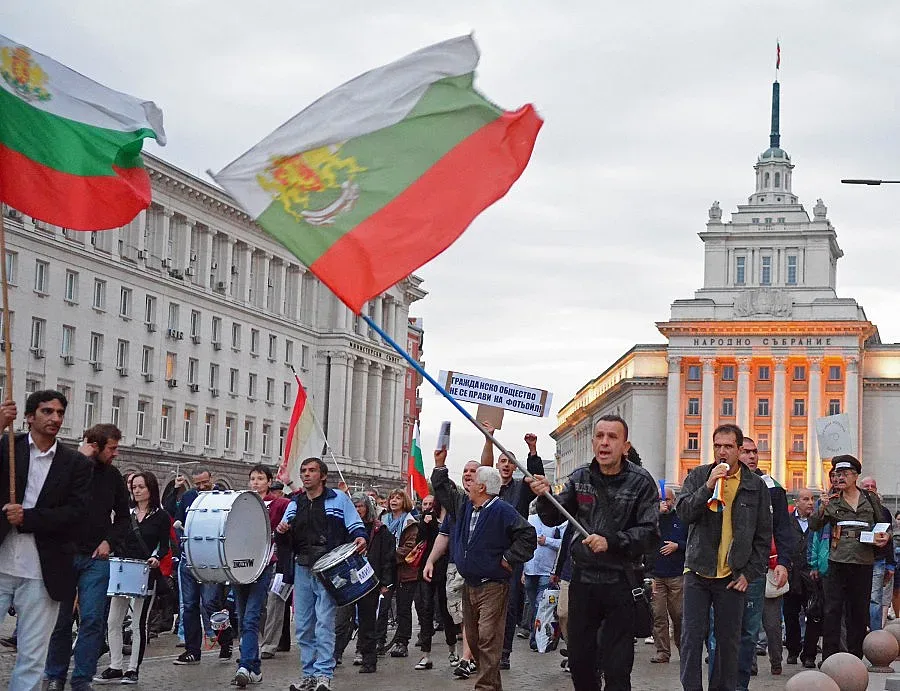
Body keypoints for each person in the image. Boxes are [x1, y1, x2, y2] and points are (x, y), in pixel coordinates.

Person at [529, 414, 660, 691]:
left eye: (612, 437)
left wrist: (611, 542)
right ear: (592, 442)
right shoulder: (580, 477)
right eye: (599, 436)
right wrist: (544, 495)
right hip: (584, 581)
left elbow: (649, 534)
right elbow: (554, 516)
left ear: (625, 446)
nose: (604, 443)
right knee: (580, 663)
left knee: (617, 667)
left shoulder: (641, 482)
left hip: (621, 583)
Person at [0, 393, 92, 690]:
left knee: (32, 657)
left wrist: (28, 518)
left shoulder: (75, 464)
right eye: (47, 411)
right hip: (1, 564)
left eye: (60, 412)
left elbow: (76, 514)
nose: (55, 418)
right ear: (29, 417)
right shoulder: (7, 448)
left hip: (44, 571)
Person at [677, 424, 772, 691]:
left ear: (739, 450)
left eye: (728, 447)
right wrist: (708, 486)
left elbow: (763, 536)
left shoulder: (754, 485)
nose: (722, 452)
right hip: (697, 570)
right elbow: (683, 513)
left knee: (729, 642)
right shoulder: (698, 476)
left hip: (732, 575)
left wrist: (749, 574)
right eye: (717, 446)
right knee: (691, 638)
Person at [433, 461, 536, 691]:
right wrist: (440, 465)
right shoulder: (464, 505)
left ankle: (485, 687)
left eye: (473, 480)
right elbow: (443, 491)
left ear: (482, 488)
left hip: (493, 585)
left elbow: (528, 535)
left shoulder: (502, 510)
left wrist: (509, 558)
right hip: (470, 583)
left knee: (488, 637)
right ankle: (492, 684)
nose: (468, 483)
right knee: (475, 637)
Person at [45, 423, 130, 691]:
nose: (115, 453)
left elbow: (124, 518)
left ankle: (81, 678)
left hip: (96, 557)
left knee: (92, 619)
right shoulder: (68, 466)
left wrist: (109, 542)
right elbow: (49, 498)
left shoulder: (114, 476)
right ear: (95, 446)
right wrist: (80, 460)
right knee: (60, 621)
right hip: (65, 555)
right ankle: (55, 674)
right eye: (112, 448)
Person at [278, 457, 367, 691]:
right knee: (304, 625)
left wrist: (360, 537)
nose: (307, 475)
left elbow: (355, 525)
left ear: (323, 475)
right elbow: (283, 534)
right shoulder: (295, 503)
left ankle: (323, 675)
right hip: (302, 567)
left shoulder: (338, 499)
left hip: (329, 568)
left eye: (312, 471)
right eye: (303, 471)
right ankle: (308, 675)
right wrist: (282, 530)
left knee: (324, 622)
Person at [809, 455, 891, 661]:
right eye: (837, 474)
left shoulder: (870, 499)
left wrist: (885, 538)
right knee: (832, 610)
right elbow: (814, 525)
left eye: (845, 474)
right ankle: (829, 657)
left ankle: (855, 656)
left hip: (863, 561)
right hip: (838, 561)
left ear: (855, 476)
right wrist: (821, 507)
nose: (840, 478)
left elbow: (882, 524)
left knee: (859, 611)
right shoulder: (832, 500)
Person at [96, 471, 171, 684]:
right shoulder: (125, 514)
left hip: (145, 572)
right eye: (134, 487)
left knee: (138, 623)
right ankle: (115, 665)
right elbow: (116, 538)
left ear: (150, 490)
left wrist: (156, 557)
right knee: (113, 621)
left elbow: (164, 545)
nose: (136, 491)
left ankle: (132, 669)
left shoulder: (161, 516)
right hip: (122, 569)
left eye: (141, 487)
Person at [481, 427, 546, 670]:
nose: (506, 465)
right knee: (486, 605)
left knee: (508, 605)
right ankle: (485, 650)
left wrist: (532, 451)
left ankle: (505, 652)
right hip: (488, 552)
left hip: (511, 555)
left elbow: (539, 480)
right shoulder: (488, 488)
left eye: (510, 462)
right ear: (497, 466)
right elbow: (482, 467)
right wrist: (488, 438)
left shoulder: (520, 488)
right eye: (503, 461)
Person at [733, 436, 794, 685]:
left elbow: (782, 528)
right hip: (730, 565)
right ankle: (738, 670)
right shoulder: (725, 482)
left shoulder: (772, 487)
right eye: (746, 451)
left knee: (763, 622)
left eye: (755, 452)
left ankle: (765, 663)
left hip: (762, 564)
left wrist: (784, 562)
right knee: (733, 625)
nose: (752, 456)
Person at [230, 464, 290, 687]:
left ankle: (244, 666)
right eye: (253, 478)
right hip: (239, 566)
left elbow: (296, 507)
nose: (255, 482)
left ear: (269, 482)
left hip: (263, 565)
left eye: (260, 478)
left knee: (251, 616)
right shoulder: (241, 503)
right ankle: (254, 668)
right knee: (243, 614)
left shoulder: (278, 504)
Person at [173, 468, 235, 666]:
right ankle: (192, 651)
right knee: (189, 606)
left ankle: (225, 639)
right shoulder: (189, 497)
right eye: (197, 483)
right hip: (188, 557)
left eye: (204, 483)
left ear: (212, 479)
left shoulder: (221, 497)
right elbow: (177, 519)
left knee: (209, 604)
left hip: (210, 559)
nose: (201, 487)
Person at [428, 456, 483, 679]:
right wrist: (430, 560)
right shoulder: (457, 505)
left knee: (473, 615)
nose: (468, 474)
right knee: (459, 614)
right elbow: (444, 535)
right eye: (465, 471)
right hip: (455, 566)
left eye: (473, 471)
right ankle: (470, 656)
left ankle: (466, 658)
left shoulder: (490, 504)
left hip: (480, 571)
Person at [334, 492, 394, 674]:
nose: (357, 510)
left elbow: (387, 558)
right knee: (342, 620)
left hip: (370, 581)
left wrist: (386, 583)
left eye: (360, 506)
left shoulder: (379, 530)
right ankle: (335, 654)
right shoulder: (346, 529)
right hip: (349, 581)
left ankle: (368, 659)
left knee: (367, 622)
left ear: (367, 507)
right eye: (354, 507)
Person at [413, 494, 460, 671]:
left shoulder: (455, 517)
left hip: (448, 569)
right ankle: (426, 655)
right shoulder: (430, 517)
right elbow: (420, 543)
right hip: (428, 568)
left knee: (447, 611)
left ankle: (452, 650)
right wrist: (424, 524)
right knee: (425, 610)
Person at [375, 488, 418, 658]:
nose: (394, 501)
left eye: (398, 498)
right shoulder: (382, 519)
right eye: (392, 498)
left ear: (404, 501)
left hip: (403, 570)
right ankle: (379, 639)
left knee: (403, 608)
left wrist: (389, 554)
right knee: (382, 606)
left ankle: (402, 642)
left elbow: (409, 548)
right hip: (385, 570)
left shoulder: (410, 523)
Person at [649, 485, 687, 665]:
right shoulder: (651, 520)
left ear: (674, 501)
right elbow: (644, 538)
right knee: (658, 614)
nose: (664, 503)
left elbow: (691, 542)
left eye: (667, 500)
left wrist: (677, 545)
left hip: (676, 574)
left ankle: (682, 647)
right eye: (660, 500)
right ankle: (662, 651)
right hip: (657, 575)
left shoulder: (681, 519)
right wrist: (656, 515)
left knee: (678, 614)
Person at [783, 488, 820, 668]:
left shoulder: (818, 522)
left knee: (813, 614)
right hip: (791, 575)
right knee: (790, 614)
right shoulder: (787, 522)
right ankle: (792, 649)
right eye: (806, 499)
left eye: (812, 499)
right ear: (796, 502)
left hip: (812, 576)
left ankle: (809, 654)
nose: (810, 503)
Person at [522, 512, 565, 651]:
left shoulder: (559, 522)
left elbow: (564, 544)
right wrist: (523, 570)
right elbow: (524, 543)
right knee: (534, 605)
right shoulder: (530, 519)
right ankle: (546, 636)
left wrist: (547, 540)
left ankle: (537, 639)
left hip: (547, 570)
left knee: (540, 605)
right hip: (530, 569)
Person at [860, 476, 895, 631]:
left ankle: (875, 635)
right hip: (857, 559)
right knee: (858, 598)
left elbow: (889, 539)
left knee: (875, 599)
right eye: (866, 485)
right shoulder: (855, 509)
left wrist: (891, 564)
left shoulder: (884, 511)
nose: (869, 488)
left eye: (872, 486)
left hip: (878, 560)